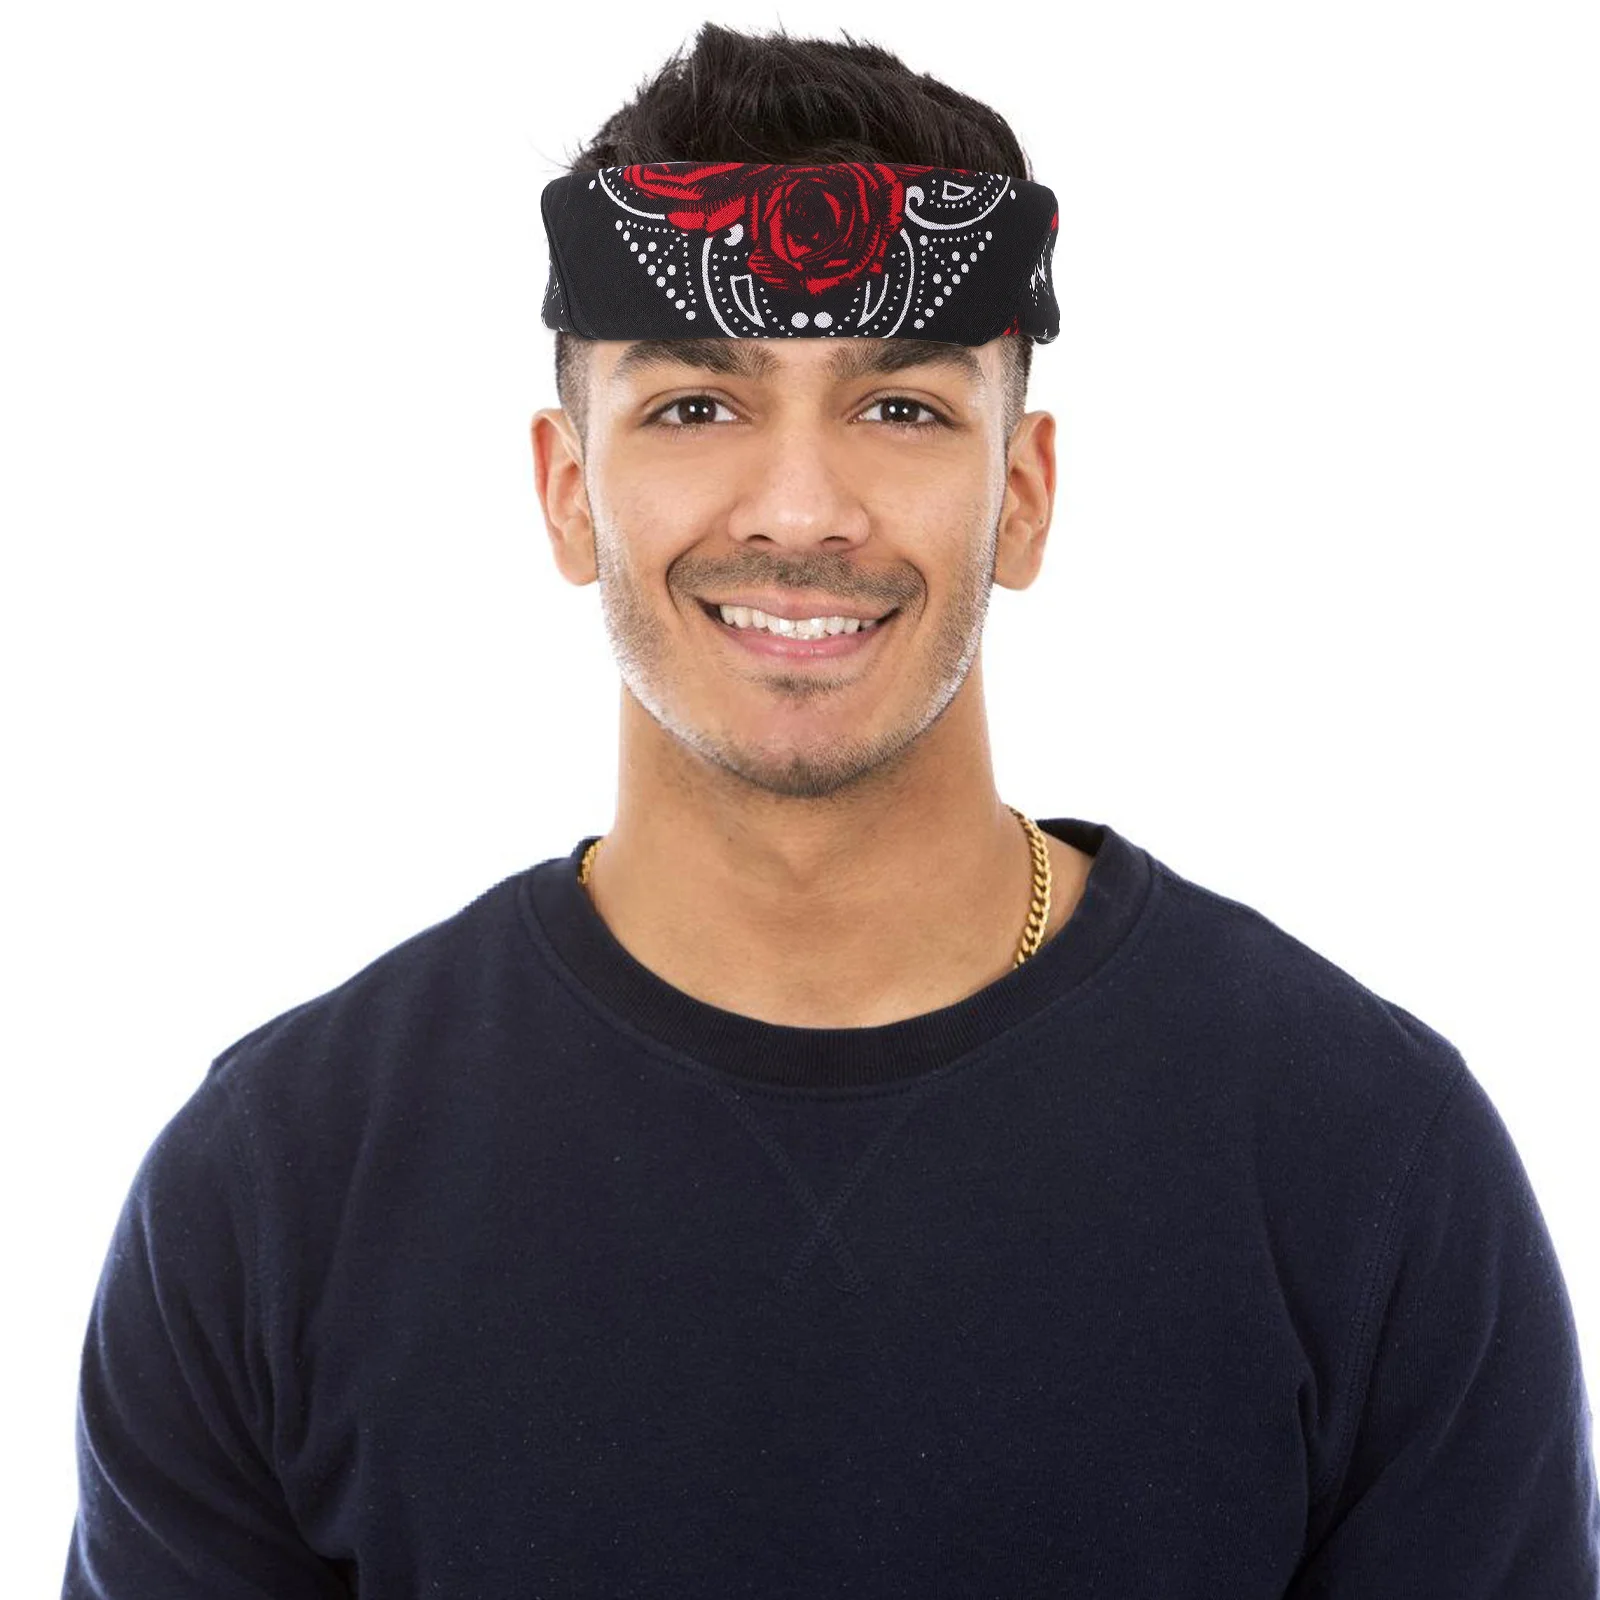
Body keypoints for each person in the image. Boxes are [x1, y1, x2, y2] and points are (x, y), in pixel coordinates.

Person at [61, 21, 1599, 1598]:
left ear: (1023, 495)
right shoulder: (274, 1194)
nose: (800, 509)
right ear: (568, 491)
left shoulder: (1366, 1165)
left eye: (901, 409)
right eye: (695, 408)